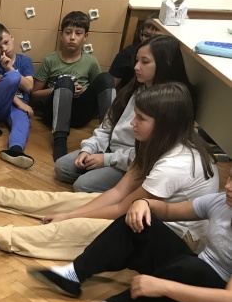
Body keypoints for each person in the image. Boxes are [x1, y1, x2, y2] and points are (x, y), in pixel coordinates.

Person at [0, 82, 218, 261]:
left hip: (175, 241)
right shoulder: (158, 142)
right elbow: (118, 193)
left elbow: (121, 208)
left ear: (164, 124)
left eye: (141, 119)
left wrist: (69, 218)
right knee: (72, 201)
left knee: (82, 226)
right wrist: (70, 211)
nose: (132, 124)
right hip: (145, 217)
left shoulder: (174, 165)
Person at [31, 173, 232, 302]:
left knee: (190, 267)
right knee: (139, 221)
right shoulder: (221, 201)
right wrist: (142, 203)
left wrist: (164, 287)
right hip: (199, 273)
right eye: (230, 177)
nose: (228, 187)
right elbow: (168, 210)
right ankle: (73, 274)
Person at [54, 35, 190, 193]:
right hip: (111, 150)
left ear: (165, 63)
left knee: (83, 185)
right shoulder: (134, 88)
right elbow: (107, 125)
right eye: (136, 61)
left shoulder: (170, 101)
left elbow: (149, 151)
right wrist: (89, 148)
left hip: (134, 161)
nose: (136, 67)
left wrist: (107, 160)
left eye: (145, 62)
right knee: (62, 167)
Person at [31, 11, 116, 161]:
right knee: (65, 80)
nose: (72, 37)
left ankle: (109, 135)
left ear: (85, 36)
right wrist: (56, 89)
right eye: (68, 32)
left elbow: (98, 90)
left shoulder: (91, 61)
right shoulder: (50, 60)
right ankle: (59, 140)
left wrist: (84, 91)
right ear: (61, 35)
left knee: (106, 78)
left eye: (78, 33)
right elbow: (34, 94)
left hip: (79, 114)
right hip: (53, 113)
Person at [0, 22, 35, 169]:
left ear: (12, 38)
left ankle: (15, 150)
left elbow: (29, 87)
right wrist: (21, 104)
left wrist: (10, 67)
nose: (4, 49)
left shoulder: (25, 61)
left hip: (15, 108)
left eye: (6, 42)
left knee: (22, 122)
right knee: (13, 77)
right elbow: (2, 88)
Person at [109, 11, 162, 89]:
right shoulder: (127, 54)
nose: (136, 67)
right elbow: (109, 88)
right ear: (140, 34)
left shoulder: (171, 58)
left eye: (157, 38)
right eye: (146, 35)